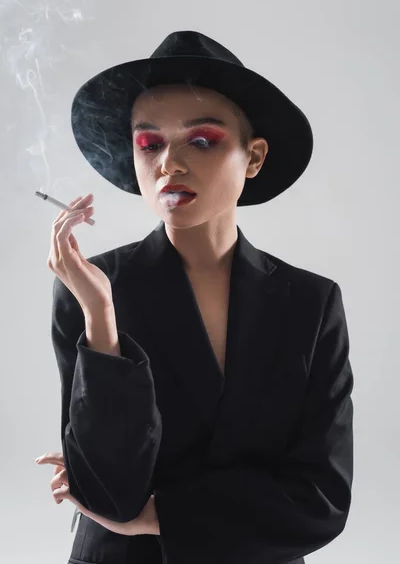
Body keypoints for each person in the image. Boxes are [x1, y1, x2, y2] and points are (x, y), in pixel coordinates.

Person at [36, 30, 354, 564]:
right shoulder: (91, 289)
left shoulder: (311, 303)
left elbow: (321, 500)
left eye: (201, 140)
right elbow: (107, 494)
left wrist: (161, 515)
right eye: (149, 143)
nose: (168, 164)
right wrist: (101, 319)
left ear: (253, 158)